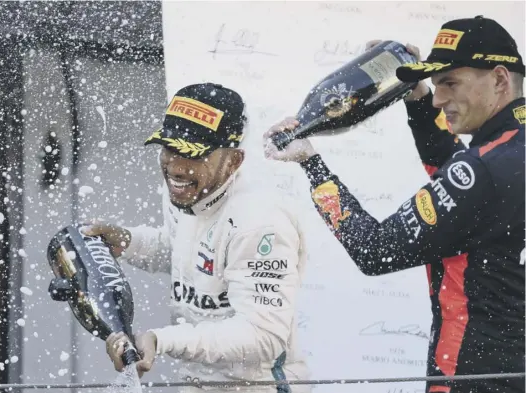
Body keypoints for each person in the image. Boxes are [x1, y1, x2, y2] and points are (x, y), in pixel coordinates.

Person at [263, 15, 525, 393]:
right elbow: (459, 174)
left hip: (468, 378)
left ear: (499, 79)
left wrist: (312, 165)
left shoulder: (482, 169)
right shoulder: (506, 156)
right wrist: (415, 96)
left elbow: (376, 250)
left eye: (450, 83)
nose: (439, 98)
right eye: (435, 86)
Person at [85, 82, 311, 392]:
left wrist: (161, 339)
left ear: (234, 160)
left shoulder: (259, 220)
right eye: (169, 148)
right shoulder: (189, 189)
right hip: (199, 383)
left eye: (193, 154)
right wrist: (128, 241)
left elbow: (263, 336)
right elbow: (191, 254)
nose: (176, 167)